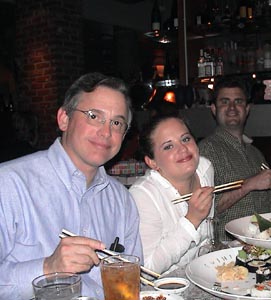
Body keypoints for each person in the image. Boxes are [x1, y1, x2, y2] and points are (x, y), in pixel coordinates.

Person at [0, 72, 143, 299]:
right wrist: (47, 267)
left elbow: (134, 281)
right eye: (94, 116)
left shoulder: (122, 201)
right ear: (64, 119)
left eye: (117, 122)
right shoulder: (8, 184)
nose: (106, 132)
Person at [198, 77, 271, 241]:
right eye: (225, 102)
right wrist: (249, 184)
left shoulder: (256, 153)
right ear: (213, 109)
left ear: (247, 109)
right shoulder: (205, 150)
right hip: (227, 248)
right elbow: (206, 208)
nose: (232, 107)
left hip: (265, 245)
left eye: (238, 101)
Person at [129, 114, 214, 274]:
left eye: (186, 139)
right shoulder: (143, 195)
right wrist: (192, 220)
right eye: (168, 146)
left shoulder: (205, 169)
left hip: (205, 274)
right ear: (152, 162)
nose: (182, 149)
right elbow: (147, 269)